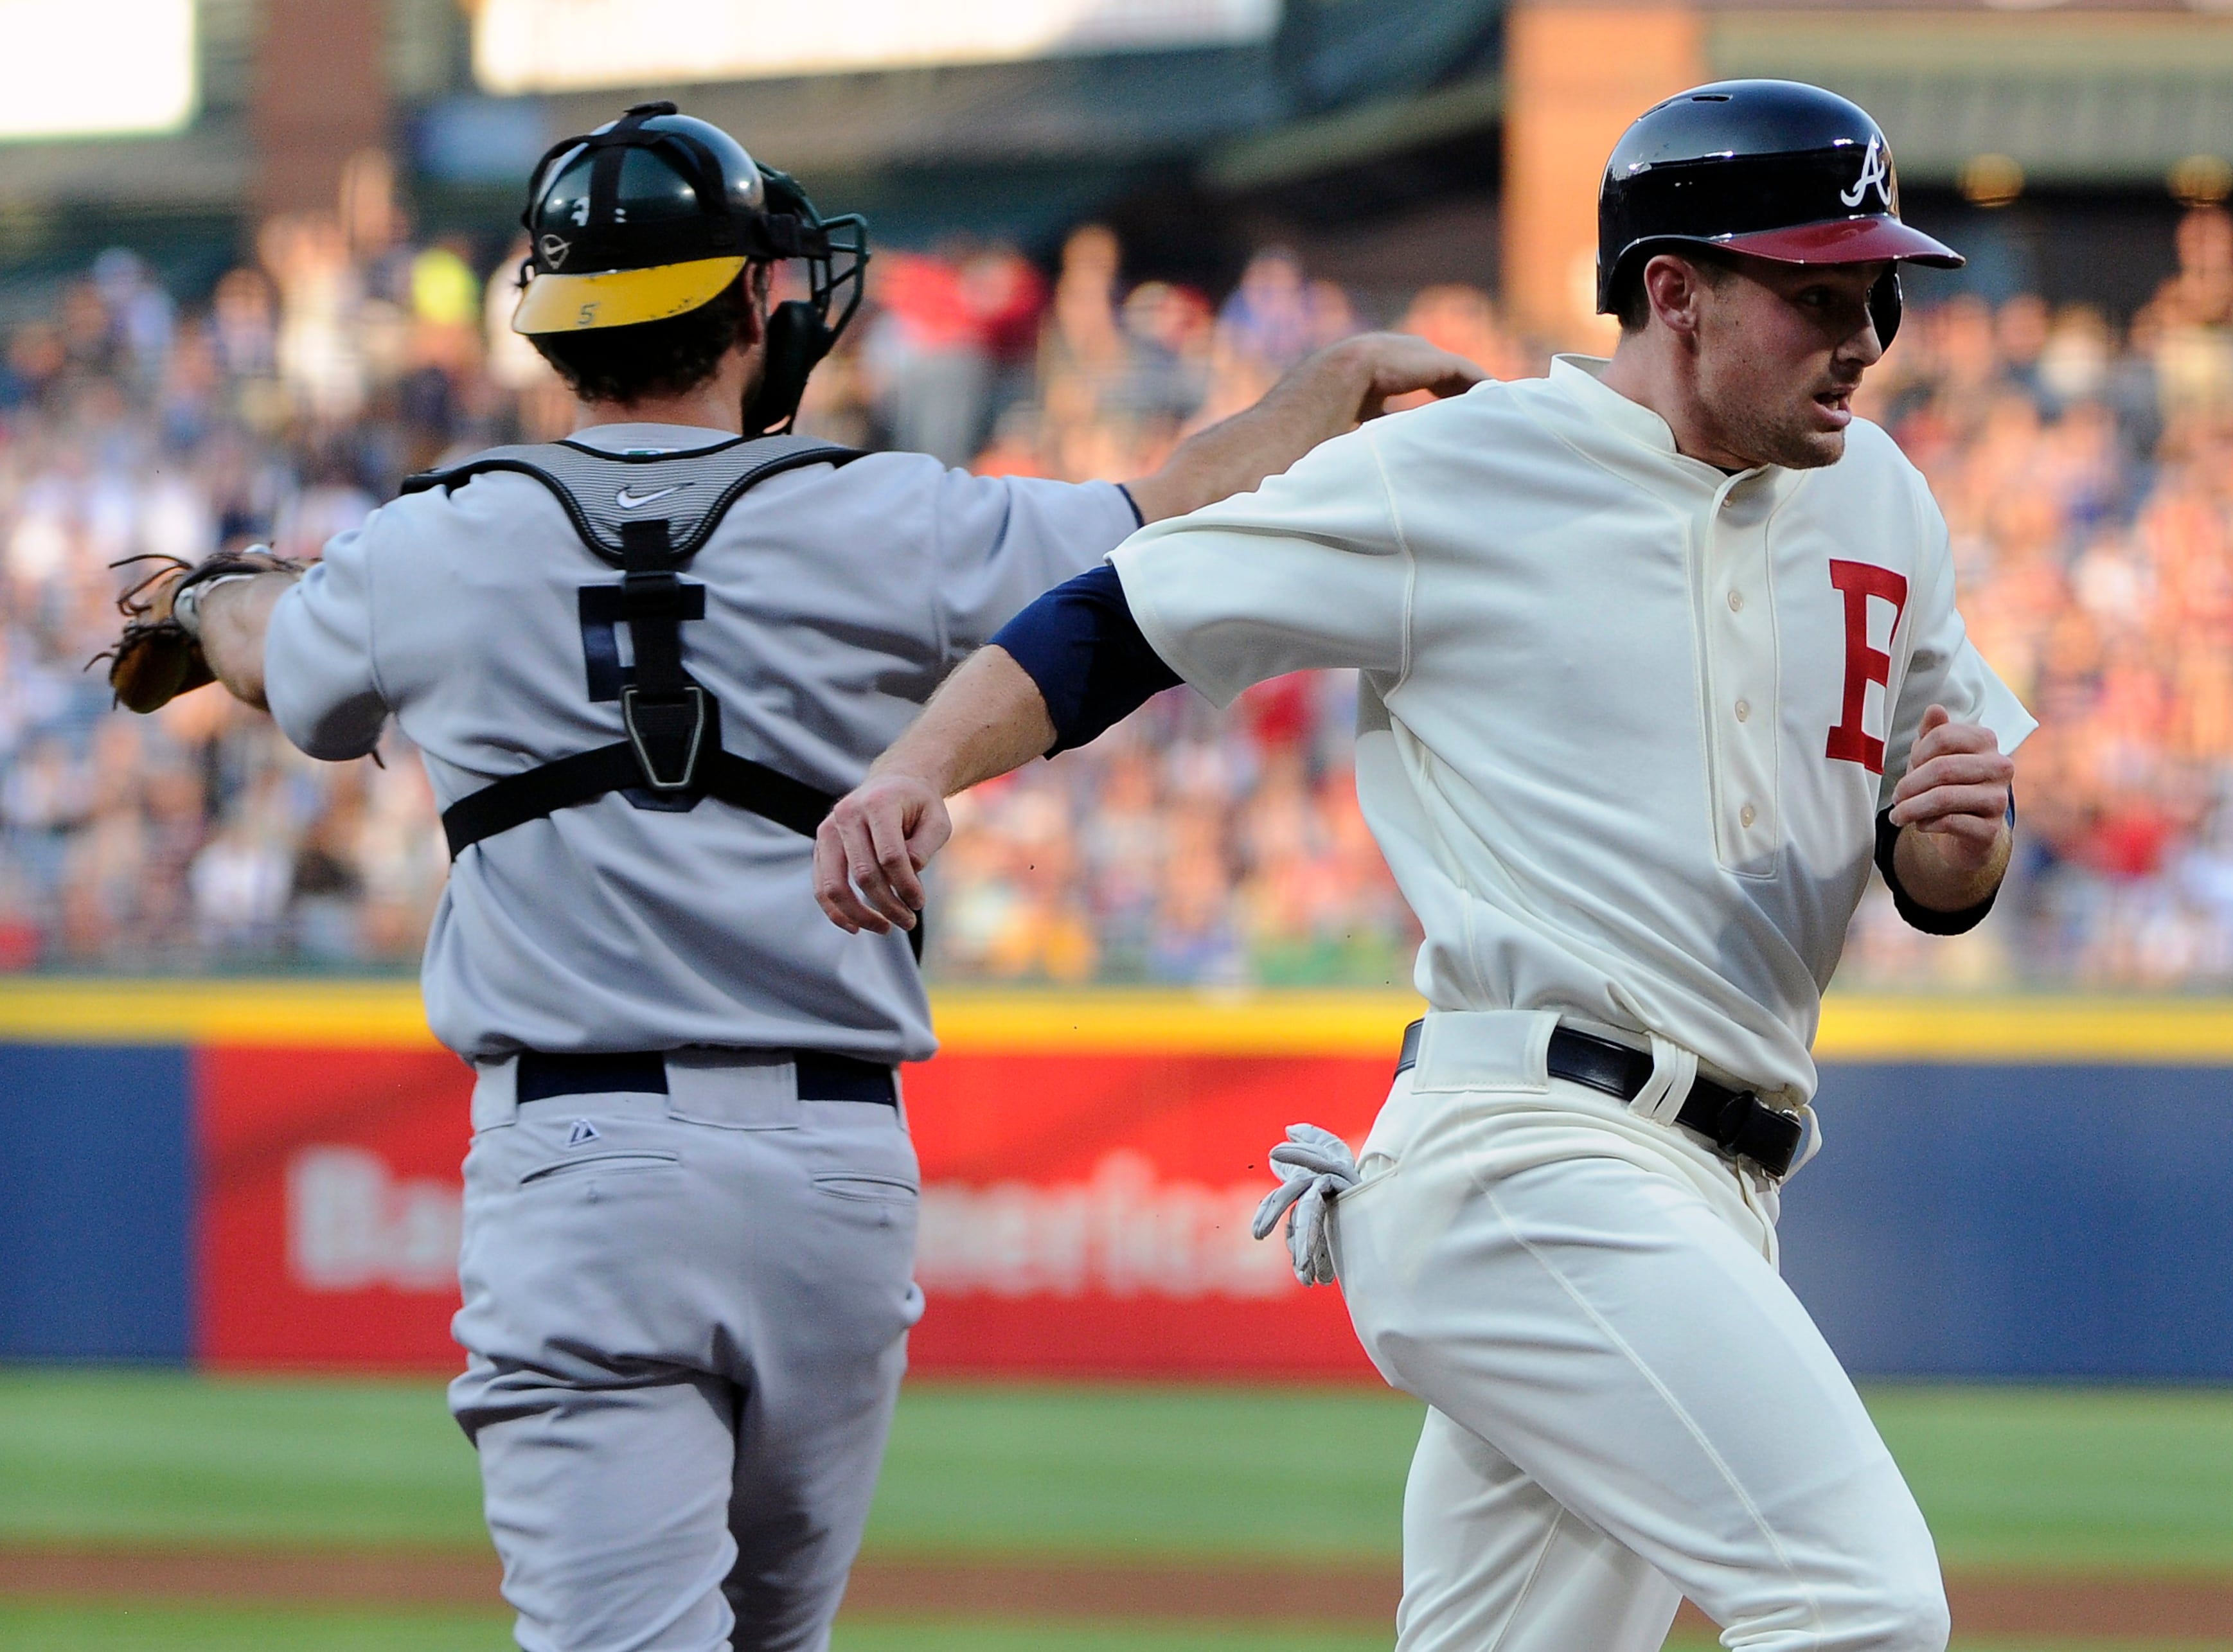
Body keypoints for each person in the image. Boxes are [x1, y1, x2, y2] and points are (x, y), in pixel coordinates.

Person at [101, 103, 1483, 1651]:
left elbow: (270, 654)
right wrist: (1333, 380)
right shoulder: (881, 510)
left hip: (581, 1160)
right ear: (758, 301)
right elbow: (1169, 511)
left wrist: (213, 597)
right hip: (835, 1178)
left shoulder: (428, 541)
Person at [815, 81, 2029, 1652]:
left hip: (1724, 1174)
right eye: (1818, 290)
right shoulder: (1468, 470)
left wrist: (1955, 849)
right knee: (1859, 1605)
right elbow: (1126, 612)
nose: (1866, 330)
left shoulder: (1884, 498)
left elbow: (1933, 862)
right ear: (1674, 289)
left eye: (1879, 291)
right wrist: (916, 765)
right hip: (1531, 1148)